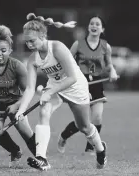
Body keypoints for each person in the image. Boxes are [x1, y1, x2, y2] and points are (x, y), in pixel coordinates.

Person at [15, 13, 107, 171]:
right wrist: (21, 111)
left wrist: (49, 93)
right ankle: (42, 158)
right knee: (44, 111)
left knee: (83, 126)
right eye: (27, 42)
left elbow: (71, 77)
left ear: (43, 35)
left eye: (32, 41)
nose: (29, 45)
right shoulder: (32, 59)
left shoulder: (57, 47)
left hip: (76, 86)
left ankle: (100, 149)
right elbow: (30, 88)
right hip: (55, 86)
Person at [58, 16, 118, 154]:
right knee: (82, 122)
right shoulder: (78, 44)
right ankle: (63, 137)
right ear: (88, 27)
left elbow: (109, 64)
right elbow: (67, 60)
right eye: (92, 23)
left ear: (102, 29)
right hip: (80, 83)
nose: (94, 26)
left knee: (97, 117)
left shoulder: (105, 46)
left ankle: (90, 147)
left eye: (98, 24)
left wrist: (112, 71)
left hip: (96, 84)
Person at [0, 25, 36, 168]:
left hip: (14, 101)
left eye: (3, 51)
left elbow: (28, 91)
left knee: (24, 130)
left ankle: (41, 158)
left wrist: (16, 106)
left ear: (10, 51)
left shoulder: (17, 66)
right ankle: (15, 151)